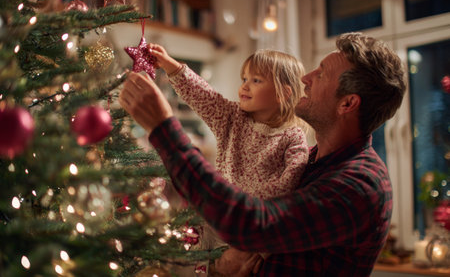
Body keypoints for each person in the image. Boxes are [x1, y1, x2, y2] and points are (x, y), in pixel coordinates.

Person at [119, 32, 406, 276]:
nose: (306, 78)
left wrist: (163, 129)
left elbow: (253, 224)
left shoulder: (359, 184)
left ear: (348, 103)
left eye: (321, 74)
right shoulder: (315, 161)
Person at [145, 44, 309, 275]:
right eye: (244, 78)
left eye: (256, 80)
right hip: (214, 221)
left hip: (252, 231)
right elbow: (203, 96)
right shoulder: (232, 118)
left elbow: (290, 182)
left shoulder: (293, 136)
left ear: (285, 92)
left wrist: (247, 209)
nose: (245, 85)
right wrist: (170, 65)